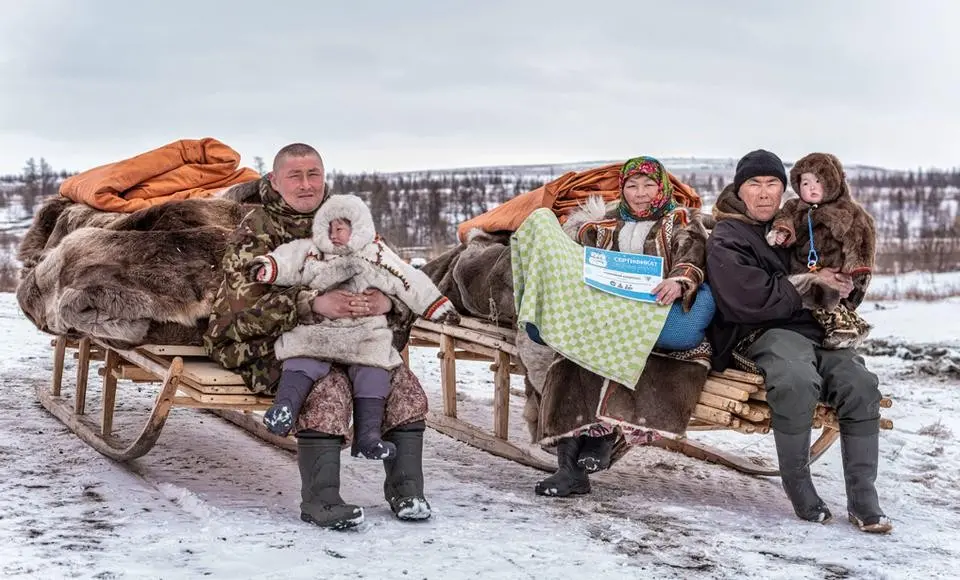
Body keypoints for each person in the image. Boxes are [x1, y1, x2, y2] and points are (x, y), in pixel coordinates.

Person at [204, 143, 432, 529]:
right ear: (275, 181)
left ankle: (407, 491)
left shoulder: (347, 221)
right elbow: (244, 309)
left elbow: (398, 278)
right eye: (295, 176)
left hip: (350, 340)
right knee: (329, 387)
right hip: (270, 345)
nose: (306, 184)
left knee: (402, 386)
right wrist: (312, 303)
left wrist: (389, 303)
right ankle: (321, 501)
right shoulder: (258, 229)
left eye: (314, 175)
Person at [706, 149, 891, 534]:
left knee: (860, 384)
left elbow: (833, 268)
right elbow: (747, 299)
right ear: (739, 190)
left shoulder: (798, 222)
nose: (764, 193)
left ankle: (863, 497)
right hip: (757, 332)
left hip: (815, 331)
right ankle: (798, 484)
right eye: (754, 184)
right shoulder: (728, 234)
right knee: (796, 380)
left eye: (772, 184)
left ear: (782, 189)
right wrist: (811, 282)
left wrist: (844, 285)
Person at [526, 156, 713, 497]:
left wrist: (678, 281)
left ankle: (602, 440)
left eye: (648, 185)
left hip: (655, 309)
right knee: (571, 359)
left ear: (661, 187)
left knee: (627, 355)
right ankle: (568, 469)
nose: (640, 193)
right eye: (632, 186)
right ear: (622, 189)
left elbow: (692, 255)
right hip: (610, 311)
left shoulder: (679, 220)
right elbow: (580, 259)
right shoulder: (606, 223)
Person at [248, 193, 458, 458]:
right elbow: (290, 260)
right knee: (301, 358)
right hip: (320, 328)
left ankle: (368, 437)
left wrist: (437, 307)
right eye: (329, 228)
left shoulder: (377, 254)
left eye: (340, 228)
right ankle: (284, 409)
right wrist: (269, 267)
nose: (333, 234)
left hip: (363, 332)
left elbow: (410, 281)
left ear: (358, 228)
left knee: (374, 371)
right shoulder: (313, 252)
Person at [766, 152, 876, 349]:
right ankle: (845, 327)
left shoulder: (847, 212)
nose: (812, 187)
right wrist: (782, 232)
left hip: (835, 268)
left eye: (818, 181)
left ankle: (845, 329)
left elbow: (860, 241)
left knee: (830, 300)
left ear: (831, 181)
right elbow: (784, 218)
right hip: (803, 268)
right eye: (805, 183)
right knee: (814, 300)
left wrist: (858, 271)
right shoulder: (795, 207)